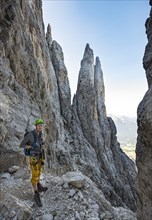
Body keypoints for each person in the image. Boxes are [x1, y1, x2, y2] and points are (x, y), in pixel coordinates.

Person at [20, 119, 48, 207]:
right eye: (39, 125)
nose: (40, 127)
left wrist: (42, 143)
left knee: (39, 172)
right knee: (35, 175)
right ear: (36, 126)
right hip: (33, 158)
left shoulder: (40, 134)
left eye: (41, 125)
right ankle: (36, 194)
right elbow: (22, 145)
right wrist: (32, 146)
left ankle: (38, 186)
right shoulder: (30, 134)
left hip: (40, 156)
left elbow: (40, 143)